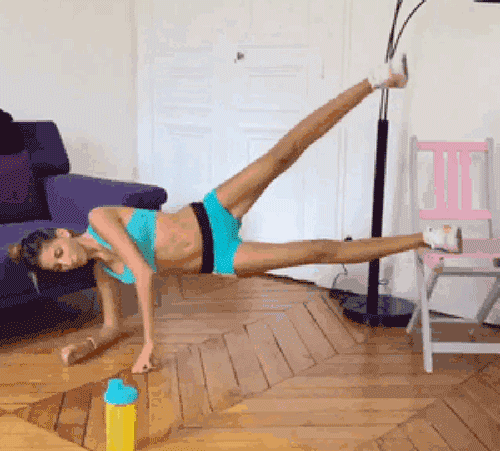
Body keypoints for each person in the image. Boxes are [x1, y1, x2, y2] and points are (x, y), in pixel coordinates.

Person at [7, 54, 463, 374]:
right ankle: (427, 238)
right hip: (217, 258)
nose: (67, 263)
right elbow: (110, 326)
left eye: (59, 254)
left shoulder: (99, 219)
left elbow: (144, 274)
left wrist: (149, 343)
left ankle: (375, 80)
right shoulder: (104, 274)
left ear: (63, 233)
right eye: (59, 267)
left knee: (284, 152)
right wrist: (86, 345)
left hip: (208, 215)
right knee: (319, 251)